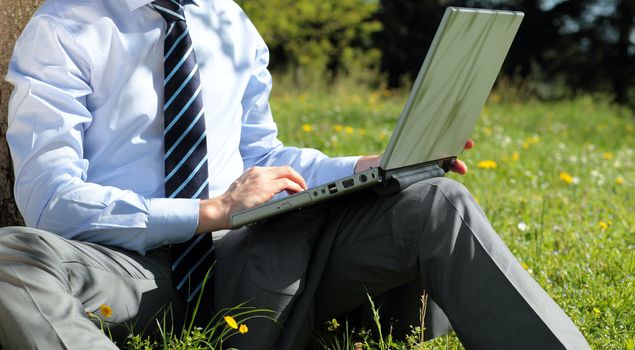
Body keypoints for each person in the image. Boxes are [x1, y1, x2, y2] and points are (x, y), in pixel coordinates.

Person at [0, 0, 590, 349]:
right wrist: (208, 212)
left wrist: (372, 167)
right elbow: (50, 201)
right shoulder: (65, 25)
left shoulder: (227, 20)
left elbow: (264, 154)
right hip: (128, 269)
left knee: (438, 202)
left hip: (252, 261)